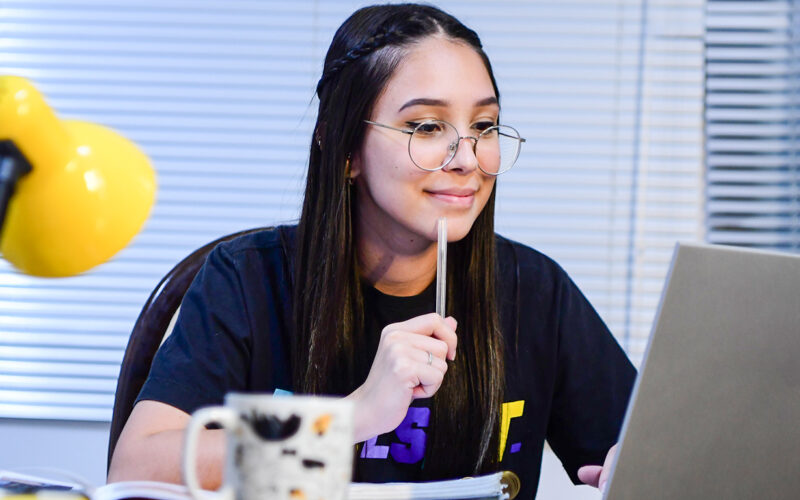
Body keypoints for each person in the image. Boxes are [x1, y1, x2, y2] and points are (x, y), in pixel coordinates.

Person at [107, 4, 635, 498]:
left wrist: (634, 469)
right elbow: (137, 468)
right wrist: (353, 418)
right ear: (346, 149)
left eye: (483, 126)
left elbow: (637, 449)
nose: (466, 158)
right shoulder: (247, 280)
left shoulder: (534, 290)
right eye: (426, 126)